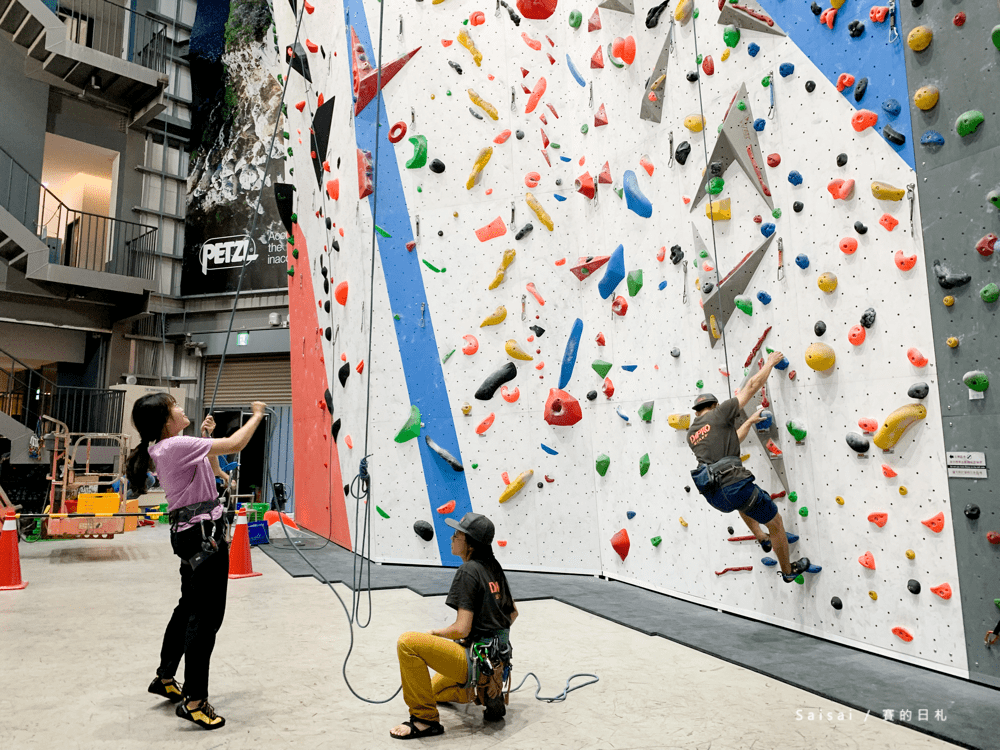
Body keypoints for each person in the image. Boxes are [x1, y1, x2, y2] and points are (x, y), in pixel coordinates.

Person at [125, 393, 266, 730]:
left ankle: (165, 676)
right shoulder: (174, 446)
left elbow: (215, 468)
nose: (181, 408)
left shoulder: (170, 446)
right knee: (205, 619)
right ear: (164, 422)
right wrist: (257, 415)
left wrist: (204, 440)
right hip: (205, 538)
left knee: (188, 608)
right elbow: (234, 444)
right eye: (174, 407)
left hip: (192, 534)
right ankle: (194, 700)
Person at [390, 512, 518, 740]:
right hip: (495, 660)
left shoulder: (468, 571)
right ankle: (484, 689)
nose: (452, 537)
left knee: (408, 643)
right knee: (432, 690)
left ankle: (424, 720)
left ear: (470, 543)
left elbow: (462, 629)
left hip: (474, 659)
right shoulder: (493, 566)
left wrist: (435, 633)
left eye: (457, 534)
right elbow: (513, 613)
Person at [686, 351, 810, 583]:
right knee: (776, 522)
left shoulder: (693, 433)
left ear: (697, 411)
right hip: (735, 485)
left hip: (716, 497)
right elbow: (752, 385)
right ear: (715, 405)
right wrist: (770, 363)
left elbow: (729, 441)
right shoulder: (720, 413)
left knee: (743, 502)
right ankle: (788, 570)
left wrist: (750, 422)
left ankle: (761, 537)